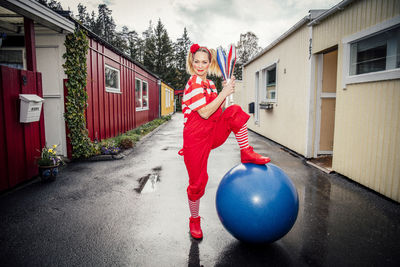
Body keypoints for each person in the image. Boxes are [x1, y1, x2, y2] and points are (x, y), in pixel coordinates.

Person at [179, 43, 271, 239]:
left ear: (209, 62)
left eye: (204, 61)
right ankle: (194, 220)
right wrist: (224, 93)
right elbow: (203, 112)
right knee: (198, 183)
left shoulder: (211, 84)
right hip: (195, 138)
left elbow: (218, 111)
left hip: (211, 132)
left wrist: (226, 91)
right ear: (192, 62)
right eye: (197, 61)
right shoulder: (193, 83)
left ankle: (246, 152)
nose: (200, 65)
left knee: (234, 112)